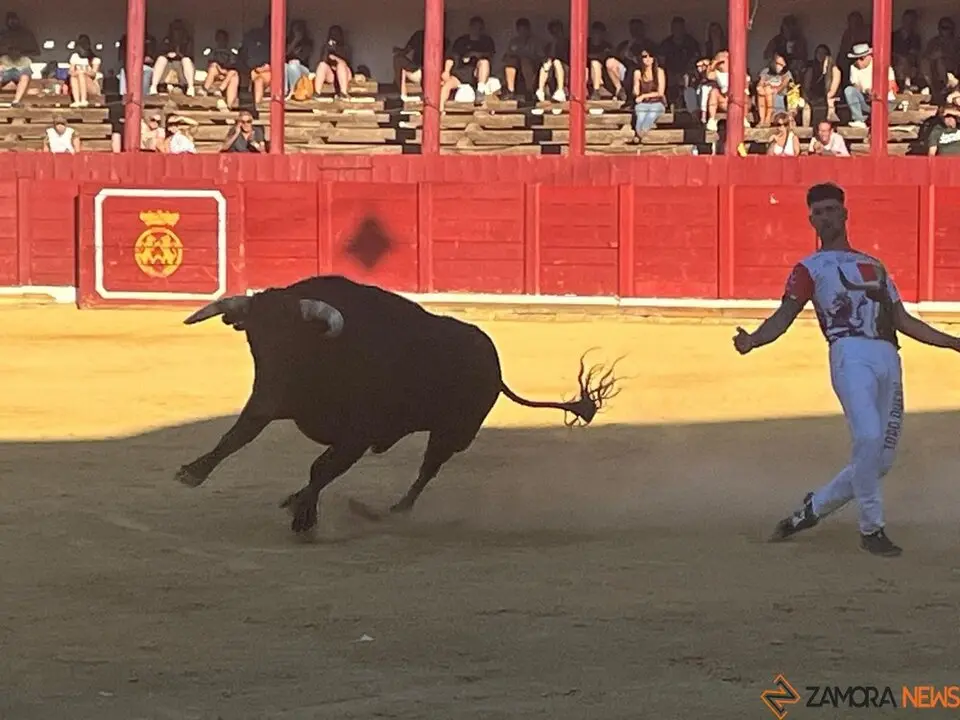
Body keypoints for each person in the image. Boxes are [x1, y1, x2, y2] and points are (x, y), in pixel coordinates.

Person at [732, 182, 960, 557]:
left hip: (889, 355)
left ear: (844, 214)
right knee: (868, 438)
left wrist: (950, 341)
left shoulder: (874, 265)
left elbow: (902, 319)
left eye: (830, 210)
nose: (824, 217)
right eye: (817, 213)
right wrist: (754, 340)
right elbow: (784, 316)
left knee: (880, 460)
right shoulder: (809, 267)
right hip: (848, 353)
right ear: (811, 220)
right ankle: (872, 530)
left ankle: (812, 510)